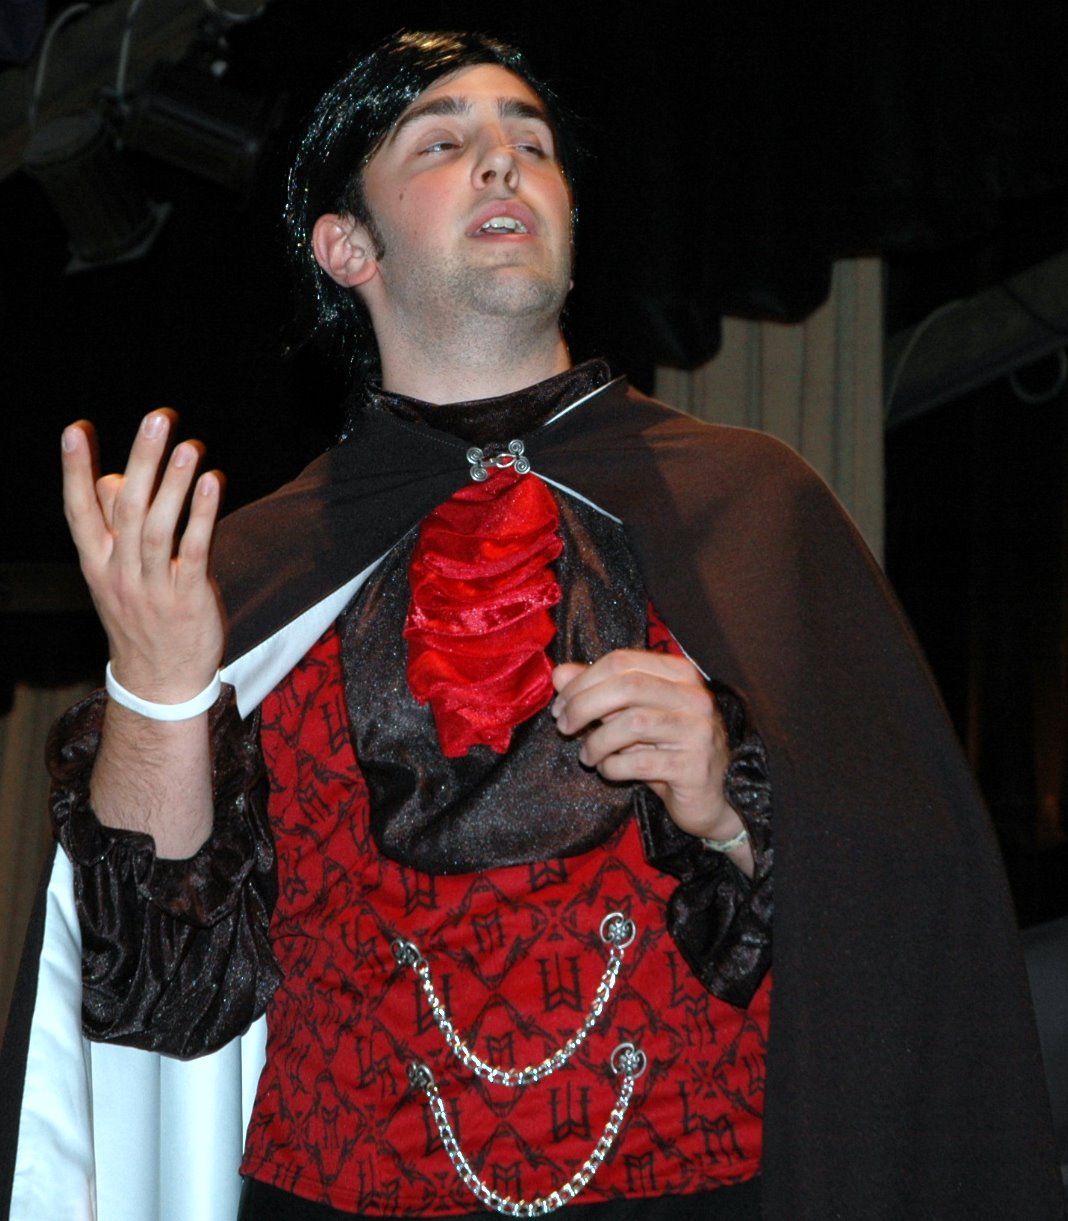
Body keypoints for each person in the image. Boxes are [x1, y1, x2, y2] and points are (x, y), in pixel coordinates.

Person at [1, 28, 1062, 1221]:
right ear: (347, 247)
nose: (505, 161)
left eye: (534, 144)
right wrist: (153, 689)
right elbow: (162, 990)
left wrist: (735, 806)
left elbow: (916, 913)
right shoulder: (248, 570)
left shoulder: (751, 507)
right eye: (443, 141)